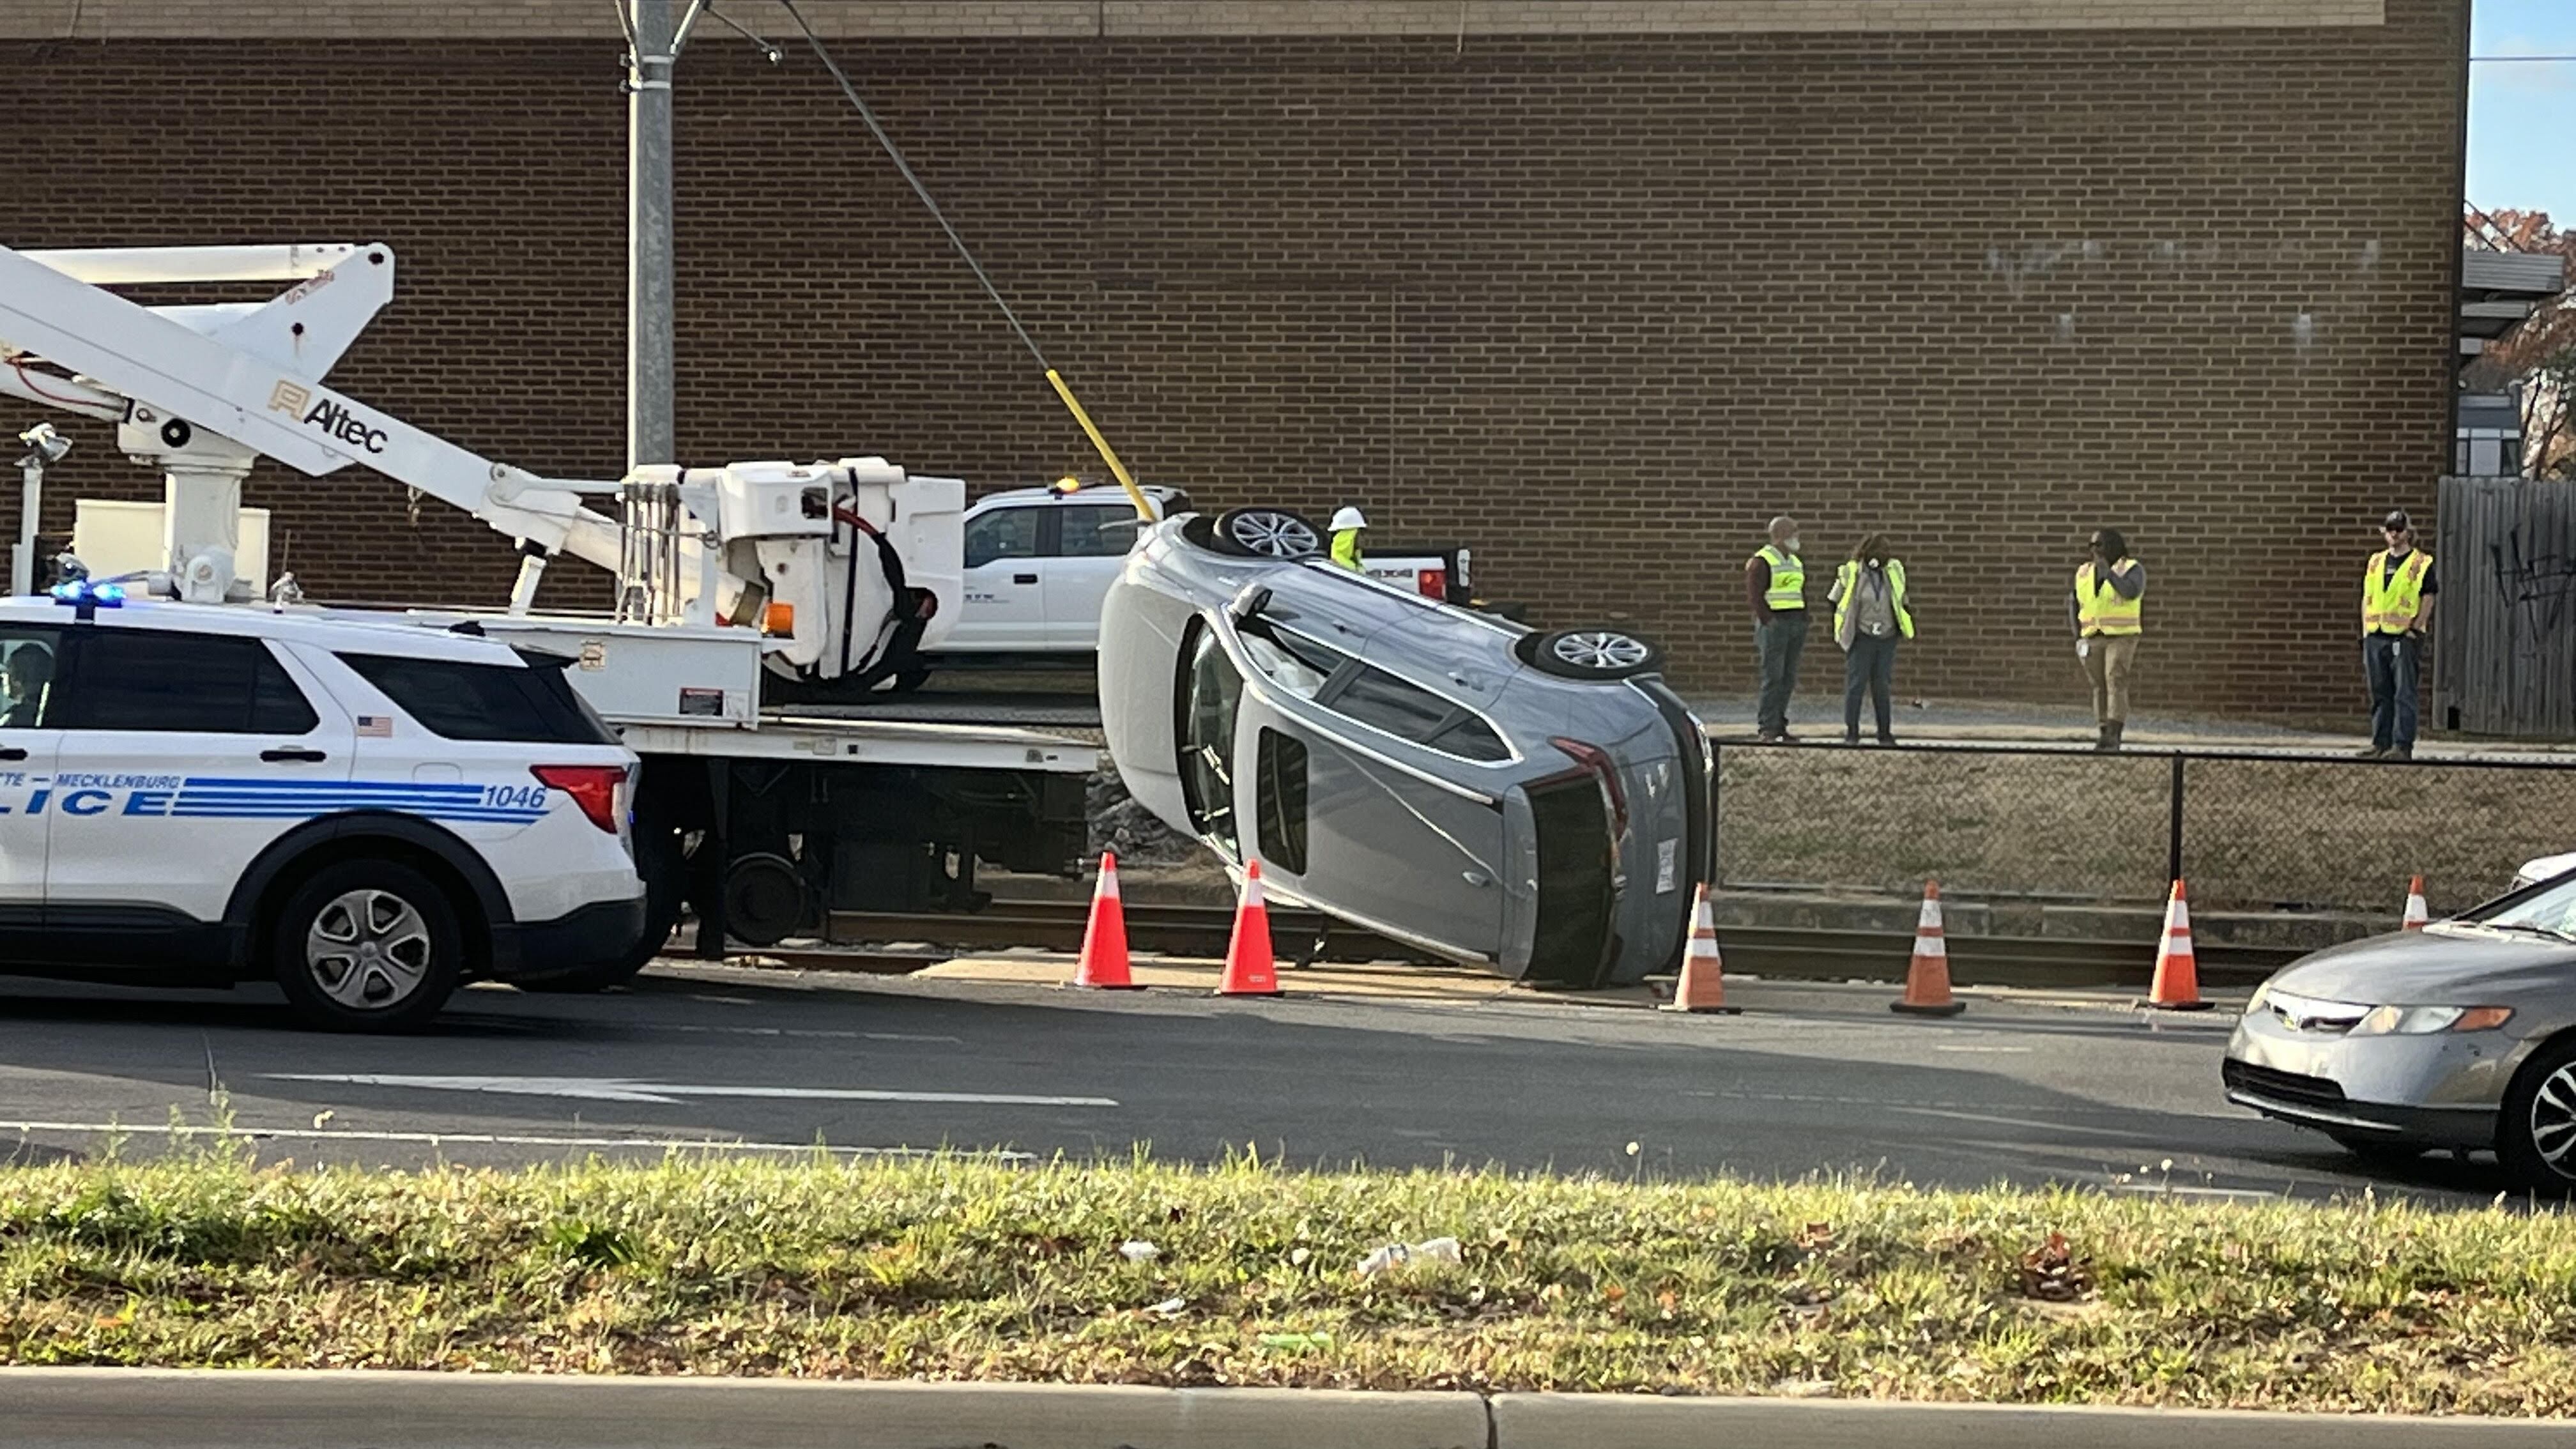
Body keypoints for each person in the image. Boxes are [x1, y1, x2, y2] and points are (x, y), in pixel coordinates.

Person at [2360, 508, 2436, 761]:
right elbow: (2367, 597)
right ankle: (2380, 743)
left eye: (2399, 529)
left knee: (2404, 693)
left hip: (2404, 636)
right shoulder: (2375, 562)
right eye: (2390, 529)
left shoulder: (2421, 563)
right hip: (2376, 634)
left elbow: (2429, 596)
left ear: (2408, 533)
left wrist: (2416, 628)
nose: (2394, 534)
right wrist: (2365, 631)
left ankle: (2402, 746)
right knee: (2380, 692)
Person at [1828, 533, 1912, 746]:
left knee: (1882, 686)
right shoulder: (1850, 572)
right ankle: (1852, 733)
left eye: (1886, 552)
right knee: (1856, 685)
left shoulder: (1894, 571)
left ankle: (1885, 733)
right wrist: (1846, 625)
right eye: (1879, 551)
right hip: (1862, 637)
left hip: (1887, 636)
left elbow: (1902, 600)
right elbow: (1834, 599)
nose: (1883, 556)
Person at [2068, 528, 2143, 752]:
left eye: (2099, 545)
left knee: (2115, 679)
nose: (2094, 550)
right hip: (2092, 637)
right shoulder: (2084, 572)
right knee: (2099, 685)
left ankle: (2114, 734)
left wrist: (2109, 574)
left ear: (2112, 545)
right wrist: (2078, 637)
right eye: (2091, 545)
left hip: (2121, 636)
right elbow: (2074, 602)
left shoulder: (2131, 569)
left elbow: (2131, 592)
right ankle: (2103, 732)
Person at [1746, 515, 1807, 743]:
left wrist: (1804, 619)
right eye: (1794, 531)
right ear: (1780, 535)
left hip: (1795, 623)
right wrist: (1768, 620)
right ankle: (1767, 726)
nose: (1797, 536)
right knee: (1773, 677)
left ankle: (1780, 724)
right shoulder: (1762, 560)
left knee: (1788, 678)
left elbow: (1799, 592)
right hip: (1775, 625)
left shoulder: (1795, 561)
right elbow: (1755, 595)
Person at [1, 642, 52, 729]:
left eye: (9, 673)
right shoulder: (55, 711)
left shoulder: (16, 718)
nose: (4, 679)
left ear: (17, 677)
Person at [1328, 506, 1367, 572]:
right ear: (1348, 537)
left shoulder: (1354, 563)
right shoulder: (1336, 567)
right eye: (1361, 534)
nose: (1364, 538)